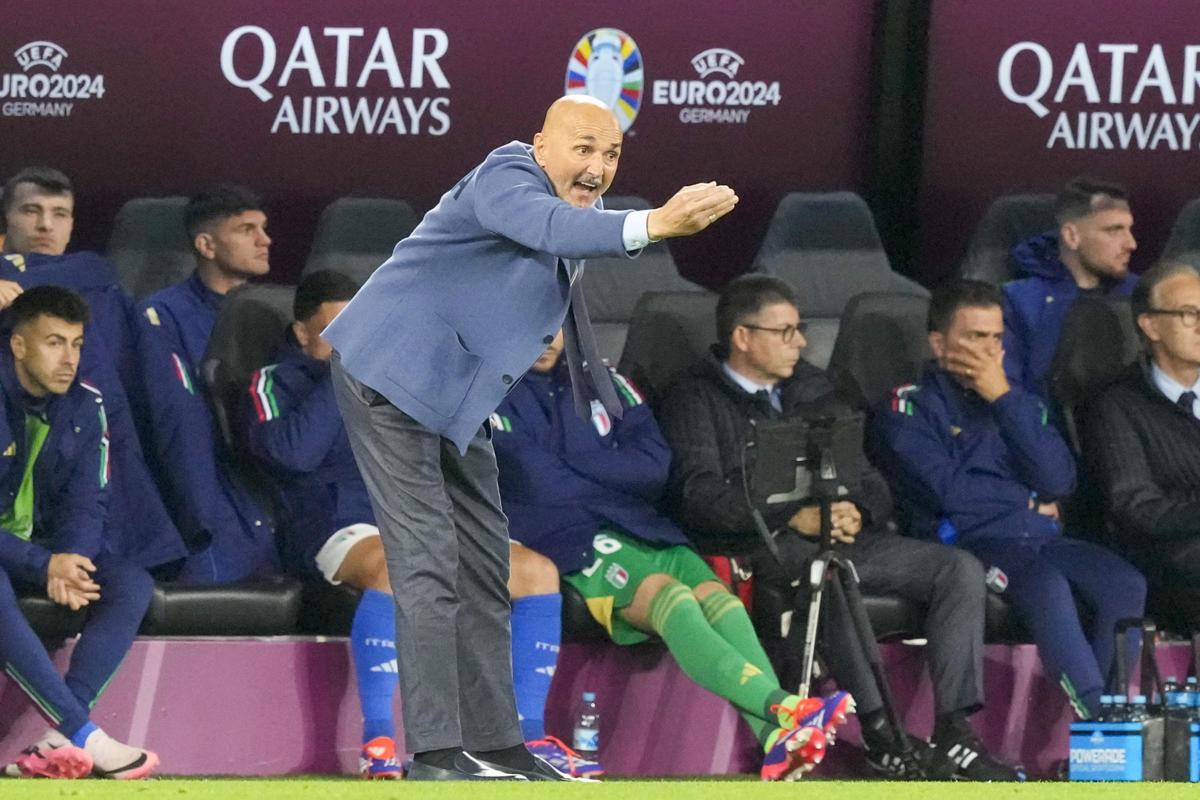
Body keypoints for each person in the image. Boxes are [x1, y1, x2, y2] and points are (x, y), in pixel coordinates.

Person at [323, 94, 737, 781]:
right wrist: (656, 222)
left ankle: (497, 743)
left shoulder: (577, 214)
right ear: (541, 145)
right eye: (584, 149)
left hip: (456, 397)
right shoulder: (505, 176)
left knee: (489, 560)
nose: (598, 167)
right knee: (427, 560)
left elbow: (559, 244)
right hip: (386, 374)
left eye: (611, 154)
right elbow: (548, 226)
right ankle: (435, 753)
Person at [659, 274, 1020, 781]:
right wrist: (792, 516)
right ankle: (881, 734)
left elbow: (871, 481)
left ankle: (955, 730)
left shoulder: (816, 389)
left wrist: (857, 510)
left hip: (842, 538)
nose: (800, 343)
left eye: (800, 329)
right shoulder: (695, 398)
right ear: (742, 336)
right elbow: (697, 497)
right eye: (785, 332)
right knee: (825, 575)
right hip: (757, 546)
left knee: (957, 568)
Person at [240, 271, 567, 777]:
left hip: (416, 515)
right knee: (402, 564)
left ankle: (525, 740)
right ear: (303, 333)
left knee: (537, 572)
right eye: (339, 332)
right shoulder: (274, 382)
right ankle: (378, 740)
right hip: (334, 523)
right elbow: (292, 454)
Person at [493, 331, 852, 781]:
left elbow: (654, 466)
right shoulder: (488, 390)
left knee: (720, 600)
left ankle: (776, 742)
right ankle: (784, 707)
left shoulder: (608, 383)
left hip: (644, 524)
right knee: (672, 598)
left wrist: (574, 464)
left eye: (556, 322)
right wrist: (607, 466)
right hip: (564, 535)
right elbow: (535, 482)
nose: (546, 336)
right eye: (534, 322)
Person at [872, 278, 1146, 721]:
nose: (988, 350)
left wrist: (1002, 398)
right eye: (975, 337)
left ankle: (1116, 717)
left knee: (1125, 582)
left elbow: (1059, 481)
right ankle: (1097, 718)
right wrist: (1025, 502)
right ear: (939, 343)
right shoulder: (908, 406)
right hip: (970, 544)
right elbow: (948, 492)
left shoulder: (1019, 402)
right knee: (1047, 586)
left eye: (996, 338)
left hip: (1039, 538)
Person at [0, 287, 158, 779]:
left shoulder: (87, 405)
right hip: (19, 556)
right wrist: (43, 565)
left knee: (130, 583)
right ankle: (85, 733)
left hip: (41, 550)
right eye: (54, 343)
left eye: (77, 344)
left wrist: (71, 559)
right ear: (18, 345)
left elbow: (90, 501)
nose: (69, 358)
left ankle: (60, 739)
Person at [1, 166, 186, 570]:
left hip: (89, 479)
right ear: (6, 220)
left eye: (60, 213)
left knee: (123, 582)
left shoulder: (100, 285)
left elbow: (161, 398)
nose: (45, 225)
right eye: (31, 211)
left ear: (72, 224)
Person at [134, 185, 277, 582]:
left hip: (273, 481)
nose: (265, 240)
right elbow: (177, 427)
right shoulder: (161, 316)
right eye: (247, 229)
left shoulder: (275, 315)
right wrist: (201, 518)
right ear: (206, 245)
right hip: (211, 497)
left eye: (263, 228)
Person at [1085, 262, 1200, 634]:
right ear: (1150, 325)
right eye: (1189, 314)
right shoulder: (1117, 406)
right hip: (1171, 558)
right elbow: (1135, 508)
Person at [1004, 177, 1137, 396]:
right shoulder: (1018, 302)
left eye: (1129, 229)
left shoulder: (1142, 294)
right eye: (1114, 230)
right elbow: (1007, 391)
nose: (1131, 243)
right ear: (1071, 236)